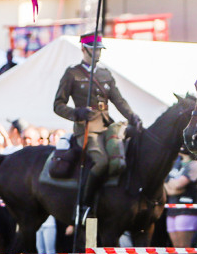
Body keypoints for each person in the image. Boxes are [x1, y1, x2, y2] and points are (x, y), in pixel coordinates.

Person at [53, 33, 142, 216]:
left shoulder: (105, 73)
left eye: (100, 50)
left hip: (107, 125)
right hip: (86, 128)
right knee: (101, 162)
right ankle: (84, 205)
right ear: (83, 49)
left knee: (127, 153)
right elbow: (57, 105)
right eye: (94, 50)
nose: (98, 54)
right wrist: (76, 113)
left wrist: (133, 116)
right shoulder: (72, 73)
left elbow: (119, 100)